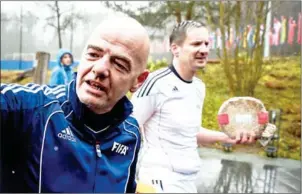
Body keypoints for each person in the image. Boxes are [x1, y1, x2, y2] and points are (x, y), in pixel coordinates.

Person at [0, 16, 150, 193]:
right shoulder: (30, 111)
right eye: (93, 55)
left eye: (119, 64)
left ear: (138, 81)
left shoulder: (131, 133)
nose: (99, 69)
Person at [131, 20, 257, 193]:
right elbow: (126, 127)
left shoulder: (198, 87)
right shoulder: (156, 83)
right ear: (175, 48)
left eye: (206, 43)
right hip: (159, 180)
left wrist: (228, 137)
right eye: (197, 44)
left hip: (188, 181)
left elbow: (191, 132)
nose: (204, 50)